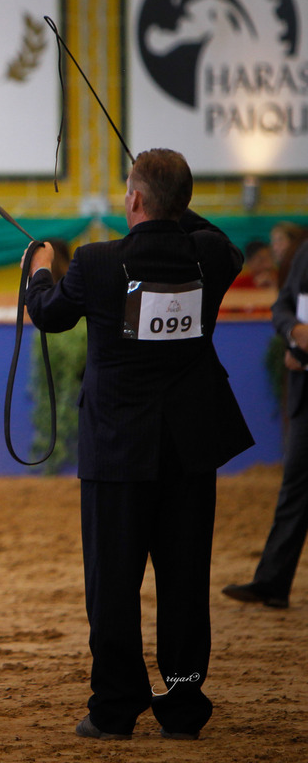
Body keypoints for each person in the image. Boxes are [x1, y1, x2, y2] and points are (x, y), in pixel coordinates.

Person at [21, 149, 253, 742]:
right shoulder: (209, 258)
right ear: (181, 204)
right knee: (184, 583)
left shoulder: (96, 263)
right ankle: (182, 705)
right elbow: (224, 240)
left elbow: (46, 315)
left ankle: (116, 707)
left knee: (113, 586)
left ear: (133, 201)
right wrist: (177, 211)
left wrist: (41, 267)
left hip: (117, 453)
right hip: (188, 454)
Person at [222, 238, 308, 610]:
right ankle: (273, 582)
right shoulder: (305, 251)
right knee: (295, 485)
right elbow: (283, 304)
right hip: (306, 386)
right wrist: (294, 334)